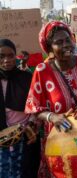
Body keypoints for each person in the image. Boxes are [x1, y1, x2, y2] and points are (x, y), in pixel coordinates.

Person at [25, 21, 77, 178]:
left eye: (67, 39)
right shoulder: (42, 71)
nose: (66, 45)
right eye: (58, 42)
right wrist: (52, 116)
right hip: (59, 138)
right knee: (64, 172)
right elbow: (33, 108)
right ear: (49, 48)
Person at [0, 39, 36, 178]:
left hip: (24, 136)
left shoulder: (26, 78)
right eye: (1, 56)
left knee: (23, 170)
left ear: (16, 56)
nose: (6, 60)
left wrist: (30, 125)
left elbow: (35, 104)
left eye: (10, 55)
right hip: (1, 138)